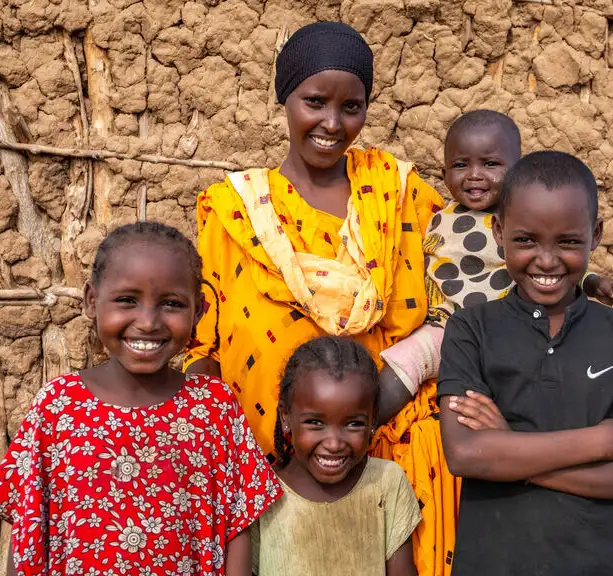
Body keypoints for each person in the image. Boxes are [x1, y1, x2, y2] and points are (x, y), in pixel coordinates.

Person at [184, 21, 453, 576]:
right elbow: (204, 350)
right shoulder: (234, 211)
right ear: (285, 98)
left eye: (351, 107)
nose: (332, 123)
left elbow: (473, 281)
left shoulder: (400, 193)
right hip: (270, 474)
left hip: (398, 457)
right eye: (314, 101)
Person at [0, 222, 280, 576]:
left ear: (199, 312)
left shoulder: (213, 407)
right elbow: (28, 530)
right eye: (127, 301)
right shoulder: (58, 406)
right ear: (92, 301)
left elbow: (236, 526)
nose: (148, 322)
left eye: (171, 304)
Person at [437, 151, 613, 575]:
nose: (546, 261)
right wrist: (601, 443)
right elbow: (466, 454)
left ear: (595, 235)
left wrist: (511, 451)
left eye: (567, 242)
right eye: (526, 240)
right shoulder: (471, 330)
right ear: (498, 232)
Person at [379, 110, 613, 396]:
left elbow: (554, 265)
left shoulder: (522, 223)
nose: (474, 175)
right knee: (403, 363)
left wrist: (594, 283)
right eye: (461, 165)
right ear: (444, 174)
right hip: (445, 329)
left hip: (505, 332)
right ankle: (370, 431)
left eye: (490, 164)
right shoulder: (435, 217)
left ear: (517, 171)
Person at [254, 335, 420, 576]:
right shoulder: (261, 493)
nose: (333, 444)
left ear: (373, 420)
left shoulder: (386, 482)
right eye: (315, 422)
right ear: (285, 417)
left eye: (353, 424)